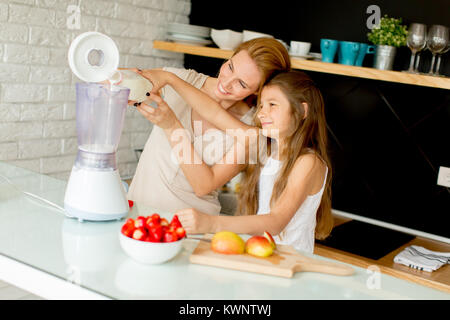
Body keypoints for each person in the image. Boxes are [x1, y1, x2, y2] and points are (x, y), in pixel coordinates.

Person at [138, 70, 334, 253]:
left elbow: (276, 221)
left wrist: (211, 223)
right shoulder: (266, 147)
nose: (262, 113)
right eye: (262, 105)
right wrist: (170, 78)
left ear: (302, 110)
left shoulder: (309, 162)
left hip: (291, 258)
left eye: (273, 105)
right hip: (264, 254)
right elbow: (212, 112)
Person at [127, 38, 291, 216]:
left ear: (259, 90)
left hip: (191, 225)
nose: (227, 83)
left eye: (242, 83)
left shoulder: (253, 129)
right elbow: (118, 81)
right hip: (139, 212)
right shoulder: (184, 79)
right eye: (230, 67)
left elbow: (203, 186)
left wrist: (171, 126)